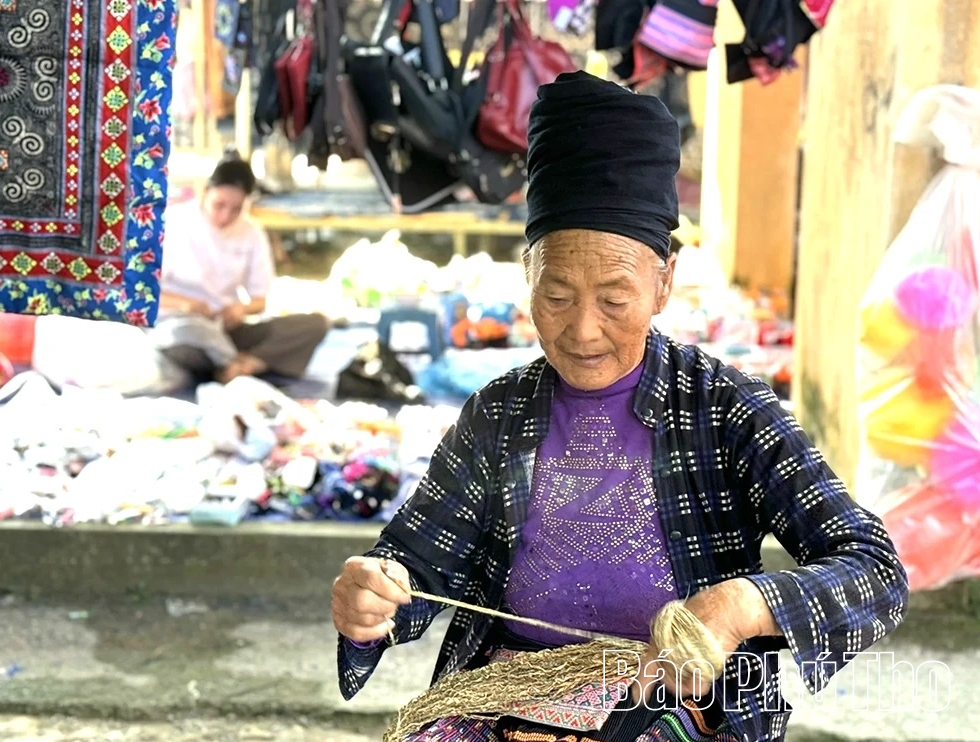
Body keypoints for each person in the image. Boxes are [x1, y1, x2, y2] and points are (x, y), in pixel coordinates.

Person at [331, 71, 909, 742]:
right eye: (555, 296)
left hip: (675, 698)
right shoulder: (498, 413)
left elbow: (873, 566)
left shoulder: (725, 408)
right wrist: (374, 594)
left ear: (664, 281)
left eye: (613, 298)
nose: (581, 329)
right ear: (526, 276)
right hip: (511, 688)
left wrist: (743, 604)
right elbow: (418, 559)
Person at [151, 152, 329, 384]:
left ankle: (245, 364)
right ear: (205, 191)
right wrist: (185, 304)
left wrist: (240, 310)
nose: (225, 216)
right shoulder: (172, 222)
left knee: (315, 325)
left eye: (236, 209)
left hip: (225, 328)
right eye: (219, 205)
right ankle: (234, 364)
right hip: (178, 325)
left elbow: (259, 299)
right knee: (185, 340)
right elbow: (141, 292)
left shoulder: (252, 232)